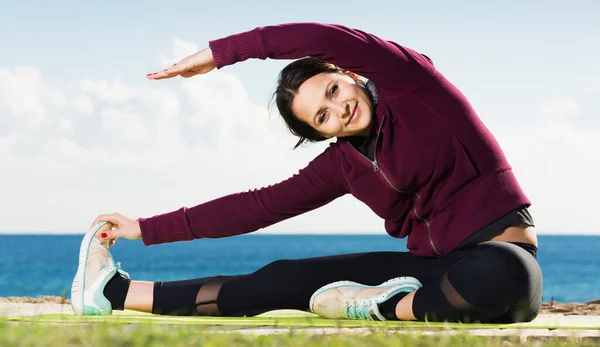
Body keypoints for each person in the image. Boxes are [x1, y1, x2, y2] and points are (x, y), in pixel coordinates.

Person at [71, 22, 542, 323]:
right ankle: (114, 293)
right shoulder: (343, 163)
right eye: (323, 116)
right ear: (320, 133)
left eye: (334, 90)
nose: (340, 108)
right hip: (432, 275)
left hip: (501, 261)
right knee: (280, 278)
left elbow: (325, 39)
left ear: (349, 74)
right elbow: (255, 208)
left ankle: (379, 307)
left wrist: (223, 53)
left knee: (503, 273)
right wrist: (146, 229)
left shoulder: (413, 87)